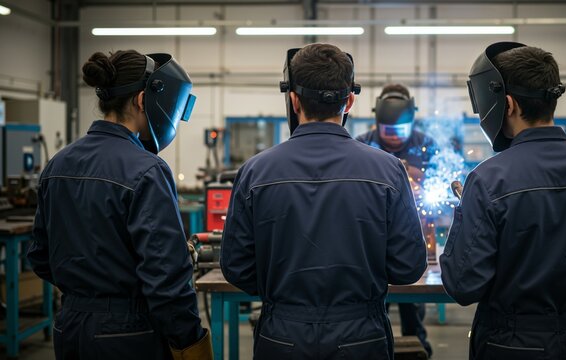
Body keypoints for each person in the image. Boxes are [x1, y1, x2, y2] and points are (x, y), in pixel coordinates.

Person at [220, 43, 428, 360]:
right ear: (350, 101)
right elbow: (408, 267)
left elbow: (237, 268)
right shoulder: (388, 171)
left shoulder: (254, 172)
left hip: (282, 336)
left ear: (292, 100)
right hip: (361, 336)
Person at [440, 42, 566, 360]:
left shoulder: (487, 180)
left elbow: (463, 283)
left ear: (506, 104)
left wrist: (468, 212)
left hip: (510, 344)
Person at [27, 50, 211, 360]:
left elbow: (39, 255)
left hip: (69, 327)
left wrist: (87, 291)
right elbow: (166, 278)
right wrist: (189, 341)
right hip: (129, 334)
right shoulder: (147, 169)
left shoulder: (57, 163)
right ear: (142, 100)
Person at [356, 83, 436, 357]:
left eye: (399, 132)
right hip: (372, 236)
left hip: (417, 231)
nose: (393, 139)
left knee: (412, 304)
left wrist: (415, 176)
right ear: (377, 120)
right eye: (387, 132)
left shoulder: (426, 145)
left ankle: (419, 349)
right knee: (376, 305)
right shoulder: (362, 144)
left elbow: (442, 178)